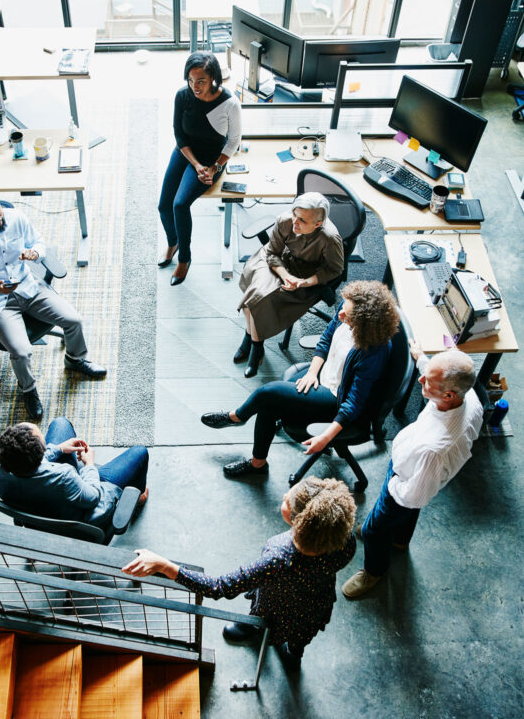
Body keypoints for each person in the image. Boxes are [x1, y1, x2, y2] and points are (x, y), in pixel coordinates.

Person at [122, 476, 356, 671]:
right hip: (315, 605)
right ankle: (294, 654)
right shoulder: (344, 539)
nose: (285, 496)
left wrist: (165, 565)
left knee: (263, 615)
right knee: (301, 635)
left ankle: (256, 627)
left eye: (289, 501)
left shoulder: (278, 560)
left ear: (300, 522)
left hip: (273, 602)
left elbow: (218, 587)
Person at [201, 279, 399, 478]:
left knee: (267, 393)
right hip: (320, 376)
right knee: (269, 404)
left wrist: (326, 436)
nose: (340, 315)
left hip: (335, 396)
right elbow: (325, 339)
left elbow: (354, 402)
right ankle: (258, 464)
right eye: (343, 308)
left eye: (347, 315)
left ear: (365, 322)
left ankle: (237, 417)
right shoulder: (345, 312)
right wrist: (312, 372)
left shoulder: (373, 350)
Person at [0, 186, 106, 421]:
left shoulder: (15, 218)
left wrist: (35, 253)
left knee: (74, 320)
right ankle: (28, 389)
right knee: (22, 352)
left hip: (28, 286)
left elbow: (38, 241)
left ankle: (75, 360)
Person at [342, 346, 482, 599]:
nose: (421, 381)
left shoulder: (435, 449)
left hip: (404, 482)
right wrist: (422, 360)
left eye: (427, 381)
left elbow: (414, 497)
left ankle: (374, 571)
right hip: (415, 470)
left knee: (375, 528)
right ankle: (400, 540)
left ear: (449, 395)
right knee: (405, 517)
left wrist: (393, 483)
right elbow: (434, 376)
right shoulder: (467, 397)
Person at [235, 193, 344, 377]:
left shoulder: (330, 238)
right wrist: (285, 276)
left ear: (318, 224)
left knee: (257, 299)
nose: (295, 222)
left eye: (302, 220)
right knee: (255, 295)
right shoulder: (285, 220)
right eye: (295, 214)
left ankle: (253, 344)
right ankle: (255, 343)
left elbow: (335, 270)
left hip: (306, 274)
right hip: (277, 262)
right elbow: (271, 253)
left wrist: (304, 282)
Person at [158, 51, 242, 286]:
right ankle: (173, 242)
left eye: (201, 81)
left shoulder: (230, 104)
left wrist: (214, 167)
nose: (195, 86)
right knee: (164, 206)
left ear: (214, 78)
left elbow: (234, 141)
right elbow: (178, 134)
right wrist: (194, 165)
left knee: (180, 204)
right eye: (191, 80)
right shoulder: (182, 96)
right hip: (186, 154)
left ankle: (185, 257)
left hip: (212, 161)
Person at [0, 417, 149, 532]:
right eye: (44, 443)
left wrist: (58, 449)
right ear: (40, 454)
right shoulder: (64, 475)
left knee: (60, 423)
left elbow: (30, 465)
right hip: (79, 514)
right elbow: (93, 496)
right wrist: (89, 465)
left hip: (32, 504)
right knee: (140, 453)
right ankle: (137, 496)